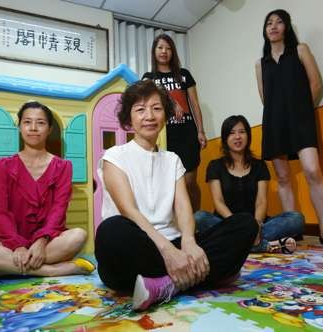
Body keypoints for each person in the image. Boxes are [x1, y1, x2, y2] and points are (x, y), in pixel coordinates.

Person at [95, 80, 258, 311]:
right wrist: (168, 251)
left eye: (156, 108)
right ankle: (204, 275)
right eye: (140, 110)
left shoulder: (172, 159)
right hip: (138, 246)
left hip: (175, 243)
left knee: (245, 224)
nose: (149, 116)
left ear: (166, 115)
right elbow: (128, 211)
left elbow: (183, 208)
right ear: (129, 119)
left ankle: (166, 285)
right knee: (109, 231)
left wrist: (189, 243)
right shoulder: (114, 156)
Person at [0, 101, 94, 286]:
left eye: (40, 123)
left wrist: (41, 241)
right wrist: (18, 246)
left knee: (78, 235)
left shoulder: (63, 167)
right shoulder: (3, 166)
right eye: (27, 122)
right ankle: (52, 270)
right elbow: (0, 212)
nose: (33, 128)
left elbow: (59, 209)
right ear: (19, 126)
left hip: (48, 242)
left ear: (49, 129)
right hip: (9, 245)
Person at [255, 9, 323, 247]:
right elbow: (266, 98)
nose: (273, 26)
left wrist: (301, 111)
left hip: (301, 119)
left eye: (279, 22)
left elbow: (316, 85)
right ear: (265, 31)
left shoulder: (300, 50)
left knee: (312, 170)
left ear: (287, 27)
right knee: (283, 178)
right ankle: (292, 231)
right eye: (269, 23)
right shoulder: (260, 64)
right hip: (274, 123)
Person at [195, 115, 304, 253]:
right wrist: (236, 225)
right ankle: (261, 246)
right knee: (199, 217)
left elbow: (261, 201)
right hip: (226, 223)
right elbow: (218, 202)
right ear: (225, 138)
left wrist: (256, 225)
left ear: (248, 135)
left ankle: (234, 244)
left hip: (257, 223)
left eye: (242, 132)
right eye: (232, 133)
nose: (237, 137)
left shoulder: (259, 165)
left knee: (296, 218)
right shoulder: (215, 166)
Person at [142, 34, 206, 211]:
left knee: (190, 181)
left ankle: (196, 217)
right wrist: (171, 101)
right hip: (165, 136)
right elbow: (148, 96)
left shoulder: (184, 75)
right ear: (154, 52)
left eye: (168, 48)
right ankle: (177, 222)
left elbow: (194, 104)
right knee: (170, 184)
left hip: (187, 132)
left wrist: (201, 131)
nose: (164, 51)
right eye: (160, 47)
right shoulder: (149, 78)